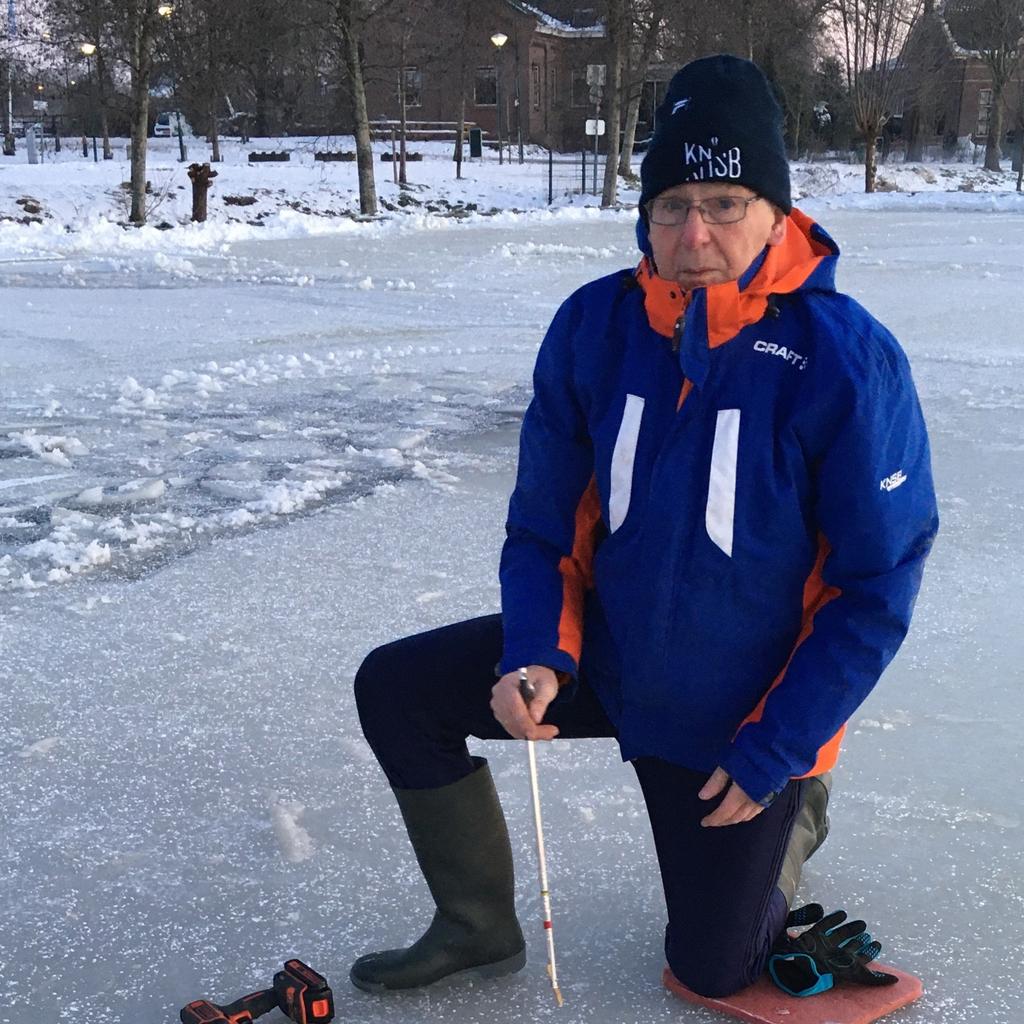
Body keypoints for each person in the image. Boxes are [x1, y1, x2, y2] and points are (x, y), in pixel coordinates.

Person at [350, 55, 938, 1001]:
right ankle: (475, 924)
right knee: (398, 688)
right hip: (611, 657)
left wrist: (779, 745)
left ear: (776, 213)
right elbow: (544, 528)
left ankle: (796, 808)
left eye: (724, 202)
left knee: (713, 969)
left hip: (738, 704)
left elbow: (875, 587)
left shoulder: (845, 359)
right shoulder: (596, 325)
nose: (694, 232)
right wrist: (538, 652)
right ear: (645, 214)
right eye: (672, 204)